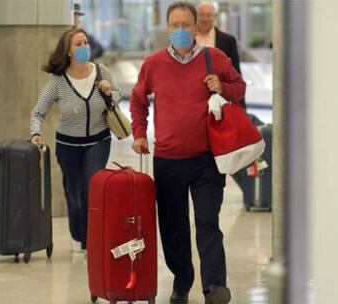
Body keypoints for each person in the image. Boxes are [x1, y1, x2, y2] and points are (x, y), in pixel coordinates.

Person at [130, 2, 245, 304]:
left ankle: (215, 288)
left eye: (186, 25)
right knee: (174, 228)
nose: (180, 31)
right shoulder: (153, 64)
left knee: (208, 223)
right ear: (168, 28)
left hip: (207, 159)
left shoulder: (214, 57)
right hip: (168, 160)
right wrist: (139, 134)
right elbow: (138, 100)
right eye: (174, 25)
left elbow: (239, 87)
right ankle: (182, 282)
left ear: (196, 27)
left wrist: (222, 85)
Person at [30, 26, 122, 251]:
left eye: (86, 43)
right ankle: (79, 234)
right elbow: (38, 111)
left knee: (91, 188)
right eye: (78, 44)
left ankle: (90, 240)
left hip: (98, 141)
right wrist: (36, 132)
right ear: (69, 52)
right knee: (75, 196)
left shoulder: (101, 71)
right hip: (68, 146)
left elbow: (117, 98)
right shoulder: (58, 81)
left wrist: (110, 92)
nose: (84, 47)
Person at [196, 0, 246, 109]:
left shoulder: (228, 41)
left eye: (208, 15)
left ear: (215, 16)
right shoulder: (188, 40)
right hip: (194, 101)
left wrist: (242, 108)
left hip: (221, 102)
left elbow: (236, 76)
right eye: (201, 15)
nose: (205, 18)